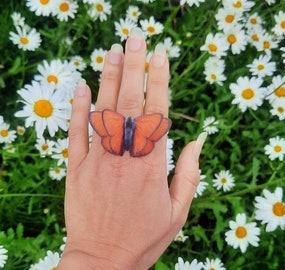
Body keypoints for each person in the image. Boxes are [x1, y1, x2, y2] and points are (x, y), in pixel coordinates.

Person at [57, 27, 207, 270]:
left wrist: (89, 253)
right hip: (139, 139)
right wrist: (100, 256)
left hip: (114, 135)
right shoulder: (147, 125)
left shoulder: (109, 121)